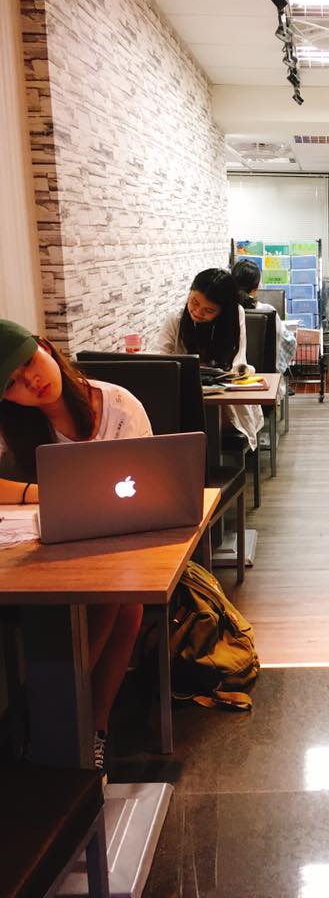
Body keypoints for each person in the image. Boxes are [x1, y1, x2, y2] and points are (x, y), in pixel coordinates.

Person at [0, 319, 151, 773]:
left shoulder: (118, 406)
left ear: (46, 348)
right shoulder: (11, 426)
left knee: (121, 598)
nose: (31, 381)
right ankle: (72, 724)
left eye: (29, 362)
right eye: (12, 383)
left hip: (122, 548)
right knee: (118, 600)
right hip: (41, 555)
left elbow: (151, 482)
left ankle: (73, 725)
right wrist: (42, 492)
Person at [155, 268, 263, 449]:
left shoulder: (235, 316)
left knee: (201, 424)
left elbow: (237, 361)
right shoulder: (176, 318)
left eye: (209, 310)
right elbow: (159, 358)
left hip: (225, 399)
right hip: (185, 397)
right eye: (194, 302)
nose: (197, 312)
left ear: (223, 311)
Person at [232, 258, 297, 384]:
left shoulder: (224, 312)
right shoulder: (267, 311)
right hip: (267, 381)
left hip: (231, 379)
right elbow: (288, 343)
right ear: (256, 287)